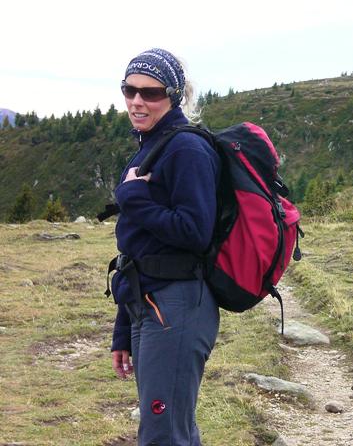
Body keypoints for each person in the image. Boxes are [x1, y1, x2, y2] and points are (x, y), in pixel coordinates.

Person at [109, 48, 220, 445]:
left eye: (151, 93)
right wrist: (124, 327)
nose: (138, 101)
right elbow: (140, 247)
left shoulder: (186, 149)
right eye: (130, 90)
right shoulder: (152, 144)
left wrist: (133, 198)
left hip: (176, 306)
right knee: (170, 429)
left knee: (163, 434)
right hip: (149, 302)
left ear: (174, 96)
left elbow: (195, 232)